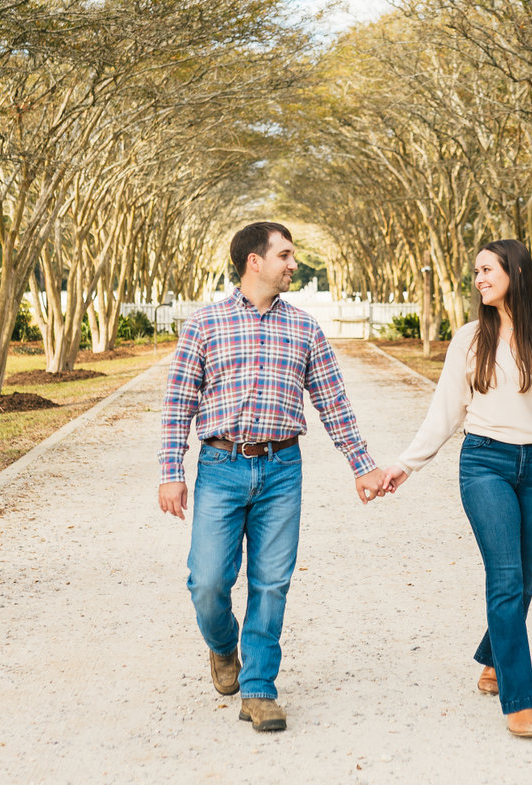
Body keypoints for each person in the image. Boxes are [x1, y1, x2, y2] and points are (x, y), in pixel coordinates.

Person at [158, 221, 386, 733]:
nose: (293, 263)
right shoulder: (204, 324)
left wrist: (362, 464)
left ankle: (259, 688)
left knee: (272, 583)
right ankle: (222, 646)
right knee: (209, 581)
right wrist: (171, 471)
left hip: (283, 468)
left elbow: (333, 401)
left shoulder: (304, 328)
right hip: (220, 465)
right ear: (253, 261)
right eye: (284, 254)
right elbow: (178, 403)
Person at [381, 239, 532, 739]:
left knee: (525, 577)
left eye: (487, 270)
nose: (478, 279)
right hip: (484, 464)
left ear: (515, 272)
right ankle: (519, 700)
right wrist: (407, 465)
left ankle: (494, 656)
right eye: (475, 272)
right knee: (505, 576)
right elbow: (446, 411)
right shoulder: (470, 338)